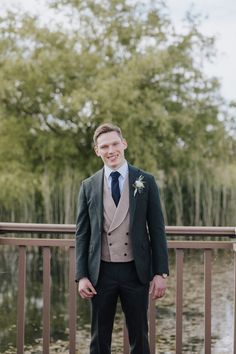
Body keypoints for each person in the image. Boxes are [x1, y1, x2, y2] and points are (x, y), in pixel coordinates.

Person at [75, 122, 169, 354]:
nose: (111, 150)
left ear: (124, 144)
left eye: (115, 143)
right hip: (101, 272)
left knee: (140, 336)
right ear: (97, 151)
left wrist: (161, 272)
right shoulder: (88, 186)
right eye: (104, 146)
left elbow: (157, 229)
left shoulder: (146, 181)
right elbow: (82, 234)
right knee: (99, 339)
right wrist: (82, 276)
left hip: (136, 271)